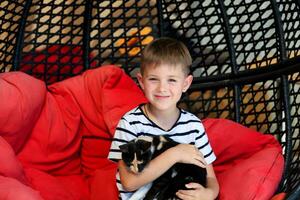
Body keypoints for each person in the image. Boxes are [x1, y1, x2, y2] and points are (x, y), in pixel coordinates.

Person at [108, 37, 219, 200]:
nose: (162, 88)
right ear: (141, 81)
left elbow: (211, 178)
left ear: (186, 84)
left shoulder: (193, 126)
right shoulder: (131, 123)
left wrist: (209, 193)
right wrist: (175, 154)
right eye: (153, 79)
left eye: (172, 80)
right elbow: (129, 182)